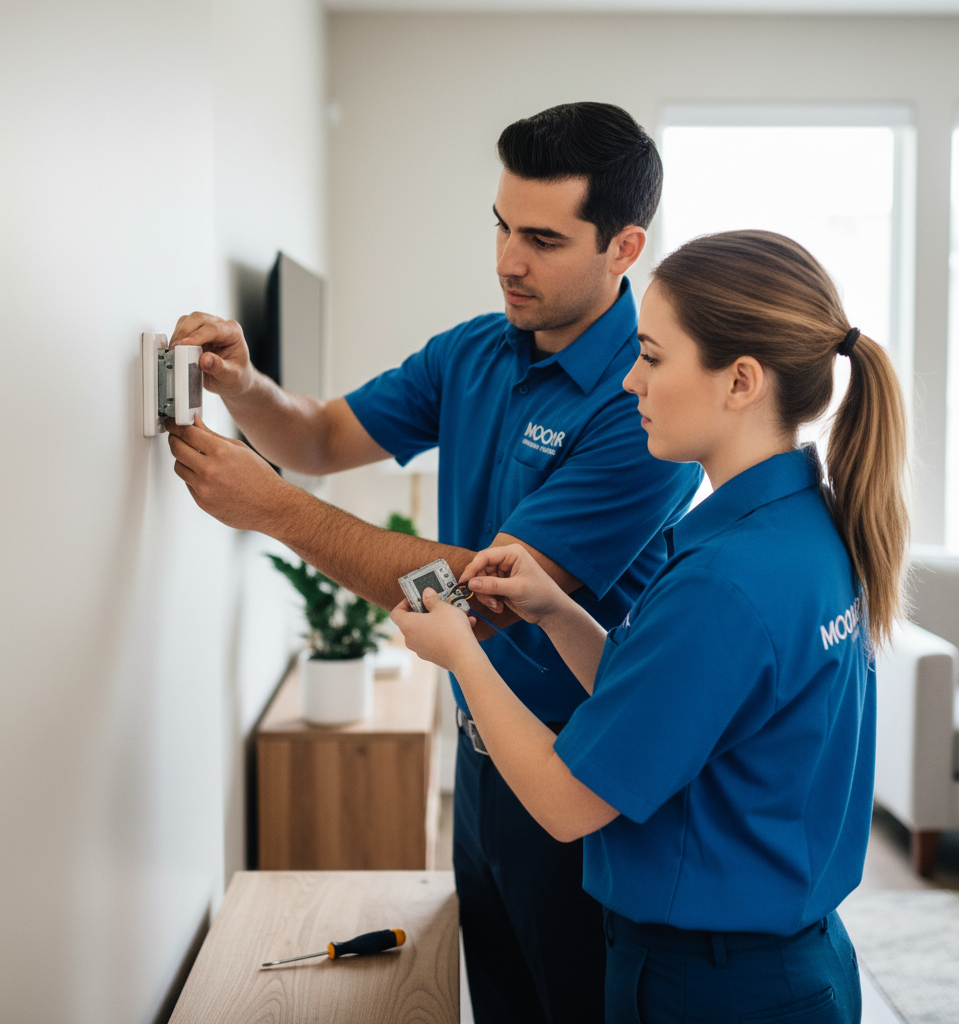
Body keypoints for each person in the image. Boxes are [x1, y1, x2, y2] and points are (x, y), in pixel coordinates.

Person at [163, 102, 704, 1023]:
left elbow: (486, 599)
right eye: (501, 226)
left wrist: (274, 509)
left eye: (542, 239)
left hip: (577, 776)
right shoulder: (474, 350)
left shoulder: (641, 405)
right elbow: (321, 436)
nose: (507, 261)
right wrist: (245, 387)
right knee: (494, 999)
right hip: (480, 759)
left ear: (623, 248)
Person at [392, 229, 910, 1024]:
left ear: (740, 381)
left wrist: (462, 655)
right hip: (793, 963)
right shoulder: (806, 528)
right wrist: (558, 611)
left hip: (710, 988)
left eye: (653, 357)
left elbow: (567, 803)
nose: (631, 380)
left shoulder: (723, 583)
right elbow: (669, 712)